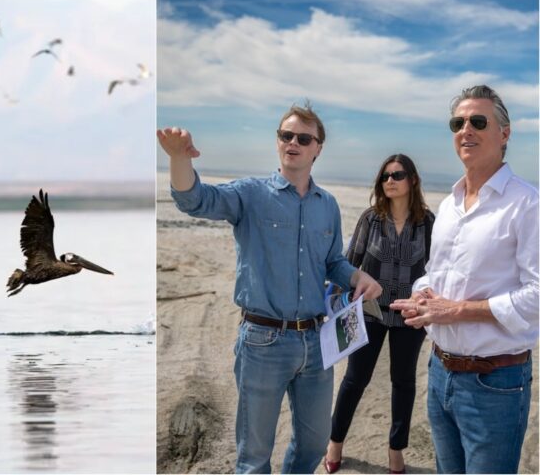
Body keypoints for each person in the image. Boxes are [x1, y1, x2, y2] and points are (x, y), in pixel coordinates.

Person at [157, 102, 382, 474]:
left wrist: (357, 277)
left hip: (315, 342)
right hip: (263, 342)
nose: (293, 142)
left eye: (303, 138)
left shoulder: (327, 204)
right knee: (255, 455)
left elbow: (331, 263)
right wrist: (179, 159)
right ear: (278, 142)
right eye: (286, 135)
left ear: (317, 148)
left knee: (313, 443)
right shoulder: (251, 194)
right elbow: (195, 200)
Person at [390, 85, 538, 474]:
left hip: (495, 382)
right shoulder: (449, 204)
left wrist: (456, 310)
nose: (465, 129)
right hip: (440, 373)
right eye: (458, 122)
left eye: (478, 121)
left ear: (504, 133)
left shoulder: (528, 204)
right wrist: (423, 295)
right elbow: (438, 272)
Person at [324, 154, 435, 474]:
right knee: (355, 379)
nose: (390, 180)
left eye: (398, 175)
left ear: (412, 180)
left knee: (403, 382)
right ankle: (335, 443)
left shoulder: (428, 223)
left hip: (409, 317)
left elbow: (437, 270)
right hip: (368, 313)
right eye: (385, 176)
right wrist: (334, 305)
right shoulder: (370, 219)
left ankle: (395, 451)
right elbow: (348, 264)